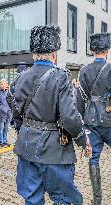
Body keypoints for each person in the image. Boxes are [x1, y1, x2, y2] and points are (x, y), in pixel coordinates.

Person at [13, 26, 89, 205]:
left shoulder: (20, 77)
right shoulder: (61, 76)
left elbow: (15, 112)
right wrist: (82, 139)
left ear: (34, 54)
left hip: (26, 146)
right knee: (63, 199)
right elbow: (70, 116)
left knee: (32, 198)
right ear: (54, 54)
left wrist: (24, 131)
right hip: (54, 150)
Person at [77, 33, 111, 205]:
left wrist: (81, 124)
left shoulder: (84, 70)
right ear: (107, 51)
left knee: (94, 158)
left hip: (90, 121)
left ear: (93, 51)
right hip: (109, 120)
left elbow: (80, 99)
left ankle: (97, 200)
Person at [0, 79, 12, 147]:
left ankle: (5, 140)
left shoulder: (9, 92)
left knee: (6, 128)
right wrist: (2, 108)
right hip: (1, 113)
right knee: (1, 128)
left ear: (6, 85)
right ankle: (1, 142)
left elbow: (12, 101)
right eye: (1, 84)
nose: (2, 85)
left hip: (8, 113)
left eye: (3, 84)